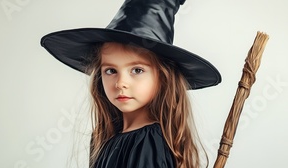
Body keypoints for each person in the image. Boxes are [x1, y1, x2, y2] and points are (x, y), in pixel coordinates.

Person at [40, 0, 222, 168]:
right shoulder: (105, 139)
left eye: (137, 70)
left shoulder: (149, 142)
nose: (120, 83)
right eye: (111, 71)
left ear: (163, 77)